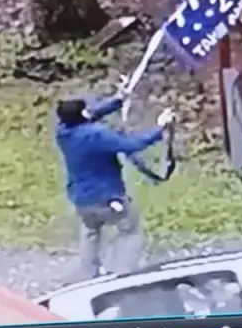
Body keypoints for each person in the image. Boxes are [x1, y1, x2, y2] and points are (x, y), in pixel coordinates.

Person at [55, 89, 175, 279]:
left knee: (90, 231)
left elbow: (92, 114)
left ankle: (89, 275)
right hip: (107, 197)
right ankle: (123, 274)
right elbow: (130, 145)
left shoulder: (63, 131)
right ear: (82, 114)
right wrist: (160, 129)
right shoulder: (96, 135)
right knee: (130, 229)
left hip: (81, 199)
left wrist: (117, 100)